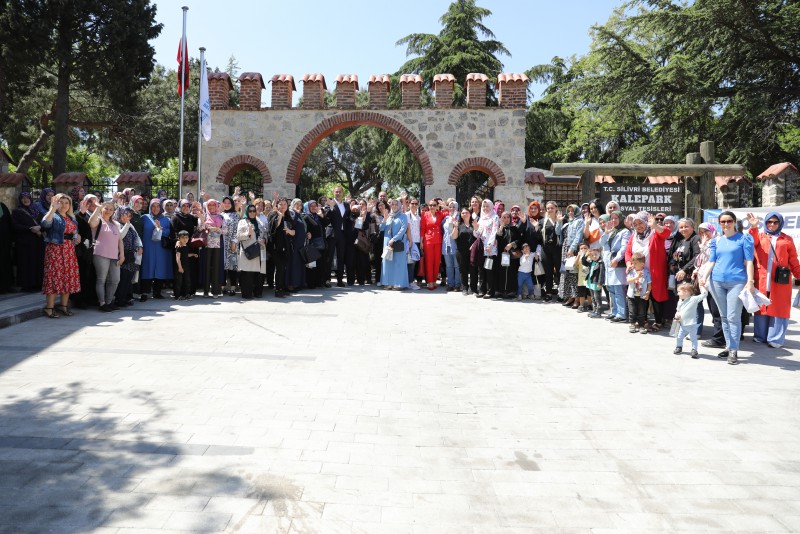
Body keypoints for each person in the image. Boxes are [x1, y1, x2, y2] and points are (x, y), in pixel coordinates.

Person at [699, 210, 755, 365]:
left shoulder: (744, 239)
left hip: (737, 281)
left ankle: (734, 350)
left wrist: (750, 281)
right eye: (723, 221)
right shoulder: (716, 241)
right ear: (719, 223)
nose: (726, 224)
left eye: (729, 221)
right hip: (716, 281)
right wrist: (704, 278)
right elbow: (711, 261)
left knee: (733, 317)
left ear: (734, 222)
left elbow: (749, 262)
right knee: (723, 316)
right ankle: (729, 346)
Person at [746, 211, 800, 349]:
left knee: (779, 308)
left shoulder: (787, 239)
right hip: (761, 278)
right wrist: (753, 227)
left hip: (780, 280)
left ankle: (775, 338)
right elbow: (751, 243)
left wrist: (798, 274)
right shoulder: (760, 235)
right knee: (761, 307)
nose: (772, 224)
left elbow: (793, 259)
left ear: (780, 223)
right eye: (769, 222)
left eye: (775, 222)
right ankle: (760, 336)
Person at [624, 212, 671, 331]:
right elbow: (628, 252)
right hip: (639, 273)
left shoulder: (655, 233)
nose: (638, 226)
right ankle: (642, 321)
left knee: (656, 297)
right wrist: (629, 264)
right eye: (635, 224)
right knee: (640, 297)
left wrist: (654, 225)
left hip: (656, 271)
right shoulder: (634, 236)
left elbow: (666, 233)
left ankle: (659, 321)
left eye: (641, 223)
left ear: (646, 222)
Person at [39, 194, 81, 318]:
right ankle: (49, 308)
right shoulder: (54, 215)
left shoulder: (71, 218)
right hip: (55, 250)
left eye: (66, 203)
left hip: (69, 250)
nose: (64, 205)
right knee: (54, 277)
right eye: (60, 202)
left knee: (67, 277)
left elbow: (74, 231)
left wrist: (77, 236)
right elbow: (45, 225)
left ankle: (63, 306)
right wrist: (52, 209)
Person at [89, 201, 124, 312]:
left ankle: (109, 302)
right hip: (100, 253)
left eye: (111, 209)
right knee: (101, 279)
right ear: (102, 209)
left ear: (113, 212)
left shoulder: (116, 224)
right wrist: (97, 208)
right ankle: (102, 303)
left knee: (115, 279)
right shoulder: (98, 220)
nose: (108, 211)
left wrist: (122, 254)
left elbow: (120, 240)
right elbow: (90, 222)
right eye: (106, 208)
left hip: (114, 255)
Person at [11, 192, 45, 292]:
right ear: (20, 200)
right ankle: (27, 285)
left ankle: (38, 284)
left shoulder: (37, 211)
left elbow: (45, 223)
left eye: (27, 198)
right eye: (23, 198)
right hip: (24, 243)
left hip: (38, 241)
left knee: (38, 262)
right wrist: (30, 228)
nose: (26, 200)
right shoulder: (17, 211)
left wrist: (40, 228)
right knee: (26, 263)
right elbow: (15, 226)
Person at [140, 198, 173, 300]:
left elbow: (169, 233)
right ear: (150, 207)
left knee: (160, 269)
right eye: (153, 206)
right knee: (147, 268)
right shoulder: (144, 218)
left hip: (160, 249)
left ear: (161, 208)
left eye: (158, 206)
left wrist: (160, 229)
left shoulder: (166, 219)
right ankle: (144, 293)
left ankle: (157, 292)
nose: (155, 208)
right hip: (148, 247)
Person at [601, 211, 630, 322]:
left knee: (618, 290)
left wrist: (616, 259)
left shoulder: (625, 231)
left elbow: (623, 248)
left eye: (616, 218)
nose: (613, 220)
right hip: (609, 263)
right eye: (611, 218)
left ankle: (621, 314)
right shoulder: (611, 231)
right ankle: (615, 311)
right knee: (611, 289)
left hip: (617, 264)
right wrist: (606, 232)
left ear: (621, 218)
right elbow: (602, 243)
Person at [236, 205, 267, 299]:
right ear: (247, 212)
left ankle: (258, 292)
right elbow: (238, 236)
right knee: (247, 274)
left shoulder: (259, 221)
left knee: (258, 273)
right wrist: (248, 233)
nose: (252, 213)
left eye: (254, 211)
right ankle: (247, 294)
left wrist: (264, 240)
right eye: (250, 211)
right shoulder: (242, 222)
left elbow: (265, 233)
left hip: (259, 250)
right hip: (248, 250)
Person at [114, 207, 142, 307]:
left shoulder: (130, 225)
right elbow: (120, 236)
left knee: (128, 279)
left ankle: (125, 298)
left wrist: (140, 246)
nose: (128, 217)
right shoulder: (116, 224)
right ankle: (119, 300)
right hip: (122, 255)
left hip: (131, 256)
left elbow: (137, 237)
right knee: (122, 279)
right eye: (125, 215)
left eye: (130, 216)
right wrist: (127, 224)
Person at [673, 282, 708, 359]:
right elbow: (678, 310)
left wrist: (702, 286)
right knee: (679, 337)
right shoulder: (680, 301)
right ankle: (679, 347)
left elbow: (704, 294)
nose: (677, 293)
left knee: (693, 338)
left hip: (692, 324)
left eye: (679, 291)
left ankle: (694, 350)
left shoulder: (693, 299)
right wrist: (677, 315)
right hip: (683, 324)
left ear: (686, 291)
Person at [380, 198, 409, 290]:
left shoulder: (403, 216)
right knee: (387, 262)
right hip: (387, 243)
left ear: (399, 206)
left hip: (397, 242)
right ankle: (388, 283)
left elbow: (403, 229)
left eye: (396, 204)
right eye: (393, 204)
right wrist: (384, 219)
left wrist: (394, 239)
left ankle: (399, 283)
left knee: (398, 263)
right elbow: (381, 229)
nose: (394, 206)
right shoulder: (388, 216)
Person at [267, 198, 294, 298]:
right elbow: (274, 227)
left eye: (285, 204)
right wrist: (280, 215)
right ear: (277, 206)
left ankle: (282, 288)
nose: (282, 206)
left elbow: (293, 231)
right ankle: (278, 290)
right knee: (280, 267)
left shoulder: (289, 216)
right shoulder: (273, 214)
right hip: (275, 246)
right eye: (281, 204)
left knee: (283, 268)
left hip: (285, 246)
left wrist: (290, 231)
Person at [327, 186, 352, 288]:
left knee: (341, 257)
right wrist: (331, 208)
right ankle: (327, 279)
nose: (337, 193)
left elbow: (348, 218)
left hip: (342, 234)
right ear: (333, 193)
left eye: (339, 192)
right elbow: (327, 218)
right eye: (336, 192)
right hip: (332, 234)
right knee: (329, 257)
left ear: (342, 193)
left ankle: (340, 280)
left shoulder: (346, 205)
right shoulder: (330, 203)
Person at [475, 199, 500, 299]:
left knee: (489, 270)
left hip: (490, 248)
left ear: (491, 207)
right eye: (484, 206)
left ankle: (490, 291)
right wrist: (475, 228)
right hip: (481, 248)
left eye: (487, 206)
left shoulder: (495, 217)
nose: (485, 208)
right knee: (481, 270)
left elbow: (494, 231)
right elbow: (477, 234)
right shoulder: (481, 219)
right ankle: (482, 290)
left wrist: (489, 245)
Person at [420, 198, 445, 290]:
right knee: (429, 262)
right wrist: (421, 242)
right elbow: (422, 229)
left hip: (438, 240)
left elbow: (449, 212)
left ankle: (434, 281)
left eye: (434, 205)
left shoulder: (440, 214)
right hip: (428, 240)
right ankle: (429, 282)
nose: (432, 207)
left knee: (436, 261)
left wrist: (443, 205)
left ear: (437, 206)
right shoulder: (425, 215)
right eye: (430, 205)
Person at [303, 200, 327, 289]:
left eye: (315, 206)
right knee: (312, 265)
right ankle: (311, 283)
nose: (313, 207)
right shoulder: (306, 217)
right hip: (311, 243)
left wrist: (322, 216)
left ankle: (320, 282)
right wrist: (307, 233)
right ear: (308, 207)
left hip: (321, 243)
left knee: (321, 264)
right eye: (311, 206)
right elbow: (304, 229)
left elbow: (327, 223)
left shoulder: (319, 216)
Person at [203, 199, 224, 298]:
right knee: (206, 267)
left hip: (217, 244)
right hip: (206, 244)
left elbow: (225, 230)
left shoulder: (220, 217)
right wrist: (207, 228)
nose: (211, 207)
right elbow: (200, 228)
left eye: (213, 205)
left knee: (216, 267)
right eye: (209, 205)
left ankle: (215, 291)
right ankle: (206, 291)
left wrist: (215, 229)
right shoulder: (204, 216)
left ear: (216, 206)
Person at [627, 252, 651, 334]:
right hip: (632, 296)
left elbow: (649, 284)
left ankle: (641, 325)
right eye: (633, 263)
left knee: (642, 312)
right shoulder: (631, 271)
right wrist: (637, 277)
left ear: (642, 264)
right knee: (632, 311)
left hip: (642, 296)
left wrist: (647, 293)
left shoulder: (647, 272)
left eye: (636, 263)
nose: (633, 265)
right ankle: (632, 324)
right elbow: (628, 280)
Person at [221, 196, 240, 296]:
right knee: (223, 266)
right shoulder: (221, 214)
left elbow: (237, 229)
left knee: (232, 266)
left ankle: (233, 287)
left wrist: (234, 241)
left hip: (232, 242)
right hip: (222, 242)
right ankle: (223, 286)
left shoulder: (236, 215)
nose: (227, 204)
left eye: (229, 202)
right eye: (225, 202)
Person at [454, 207, 475, 296]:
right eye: (463, 213)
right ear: (461, 215)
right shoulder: (458, 225)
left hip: (473, 251)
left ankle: (473, 288)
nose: (465, 214)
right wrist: (455, 227)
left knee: (473, 269)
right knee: (463, 270)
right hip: (461, 251)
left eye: (466, 212)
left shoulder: (474, 224)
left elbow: (478, 236)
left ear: (470, 214)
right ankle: (465, 288)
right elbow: (454, 237)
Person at [441, 200, 461, 292]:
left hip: (455, 244)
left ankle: (457, 284)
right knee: (449, 266)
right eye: (450, 206)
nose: (452, 208)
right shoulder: (446, 218)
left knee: (457, 266)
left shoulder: (459, 217)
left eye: (454, 207)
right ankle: (450, 284)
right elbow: (443, 230)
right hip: (446, 244)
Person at [173, 230, 196, 300]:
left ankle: (187, 294)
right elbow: (178, 258)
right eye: (182, 238)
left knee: (187, 281)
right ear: (179, 238)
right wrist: (180, 267)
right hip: (180, 267)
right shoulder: (179, 247)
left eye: (186, 237)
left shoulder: (186, 246)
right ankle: (177, 296)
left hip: (186, 267)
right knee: (179, 282)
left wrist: (193, 254)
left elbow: (186, 255)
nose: (185, 239)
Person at [405, 198, 422, 290]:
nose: (414, 205)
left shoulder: (418, 216)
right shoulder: (407, 215)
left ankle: (411, 281)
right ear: (409, 204)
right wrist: (410, 241)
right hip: (410, 242)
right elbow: (407, 228)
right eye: (412, 203)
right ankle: (410, 282)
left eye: (416, 203)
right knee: (410, 263)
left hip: (417, 241)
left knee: (414, 262)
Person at [584, 246, 605, 318]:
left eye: (596, 254)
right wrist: (586, 255)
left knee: (597, 298)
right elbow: (583, 262)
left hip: (596, 283)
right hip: (590, 282)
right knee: (593, 297)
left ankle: (598, 312)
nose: (594, 256)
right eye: (592, 255)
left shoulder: (600, 263)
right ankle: (594, 310)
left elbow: (601, 274)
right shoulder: (591, 262)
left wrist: (600, 283)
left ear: (599, 254)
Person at [575, 242, 591, 312]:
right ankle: (581, 305)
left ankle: (590, 305)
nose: (583, 249)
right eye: (581, 248)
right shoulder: (579, 257)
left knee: (589, 293)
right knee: (581, 293)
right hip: (581, 279)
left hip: (589, 278)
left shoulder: (591, 256)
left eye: (585, 248)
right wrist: (578, 255)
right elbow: (574, 265)